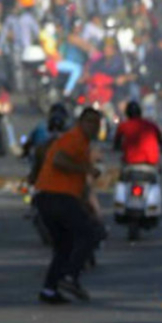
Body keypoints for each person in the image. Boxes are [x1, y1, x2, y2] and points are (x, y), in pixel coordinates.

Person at [33, 108, 103, 304]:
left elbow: (79, 181)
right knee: (90, 233)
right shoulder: (74, 138)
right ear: (80, 122)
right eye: (89, 122)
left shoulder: (83, 144)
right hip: (56, 196)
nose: (93, 126)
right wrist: (87, 168)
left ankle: (49, 290)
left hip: (49, 198)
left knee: (64, 245)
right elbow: (59, 160)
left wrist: (85, 202)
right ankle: (69, 276)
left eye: (97, 123)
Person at [114, 101, 162, 167]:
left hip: (131, 163)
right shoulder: (152, 125)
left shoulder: (123, 126)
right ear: (140, 113)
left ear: (127, 113)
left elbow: (116, 144)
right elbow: (161, 141)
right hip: (151, 165)